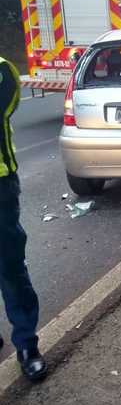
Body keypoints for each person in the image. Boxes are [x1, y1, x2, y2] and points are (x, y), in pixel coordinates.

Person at [0, 55, 47, 381]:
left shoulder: (2, 70)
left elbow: (6, 105)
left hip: (0, 185)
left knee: (11, 268)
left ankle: (27, 346)